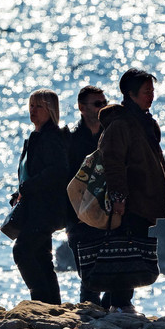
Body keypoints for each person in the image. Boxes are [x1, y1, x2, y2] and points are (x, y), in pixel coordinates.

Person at [93, 68, 165, 314]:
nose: (151, 96)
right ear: (131, 94)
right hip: (130, 200)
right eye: (146, 91)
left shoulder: (145, 121)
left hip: (143, 199)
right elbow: (113, 163)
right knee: (125, 251)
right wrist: (119, 197)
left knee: (133, 249)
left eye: (152, 91)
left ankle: (114, 303)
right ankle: (120, 304)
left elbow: (156, 161)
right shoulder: (121, 123)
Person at [10, 89, 69, 304]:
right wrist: (20, 192)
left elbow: (58, 171)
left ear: (51, 110)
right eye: (31, 106)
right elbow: (30, 172)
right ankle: (52, 305)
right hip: (35, 206)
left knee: (23, 251)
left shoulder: (51, 136)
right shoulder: (36, 136)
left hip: (46, 208)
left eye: (39, 106)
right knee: (42, 257)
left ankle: (39, 300)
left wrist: (28, 187)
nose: (33, 111)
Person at [66, 84, 107, 303]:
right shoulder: (71, 139)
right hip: (78, 216)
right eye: (97, 103)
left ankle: (113, 315)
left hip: (106, 212)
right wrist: (73, 218)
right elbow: (66, 181)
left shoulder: (109, 136)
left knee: (112, 268)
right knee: (88, 277)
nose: (103, 107)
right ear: (82, 108)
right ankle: (89, 319)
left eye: (105, 103)